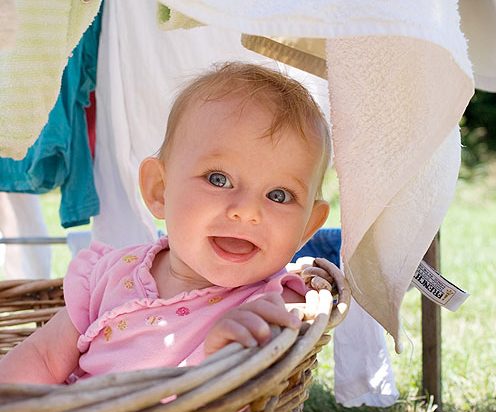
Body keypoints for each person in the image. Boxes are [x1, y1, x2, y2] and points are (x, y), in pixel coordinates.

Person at [0, 62, 332, 384]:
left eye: (278, 195)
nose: (246, 211)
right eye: (219, 179)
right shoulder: (111, 272)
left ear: (307, 226)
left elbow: (240, 401)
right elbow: (43, 357)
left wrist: (223, 356)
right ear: (160, 190)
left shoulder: (274, 303)